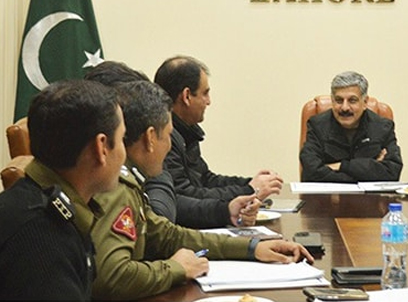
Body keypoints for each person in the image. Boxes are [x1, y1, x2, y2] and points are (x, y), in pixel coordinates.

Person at [91, 80, 313, 300]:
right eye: (168, 136)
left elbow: (168, 235)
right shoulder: (116, 188)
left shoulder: (130, 181)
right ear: (150, 138)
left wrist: (252, 248)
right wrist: (175, 269)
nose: (169, 146)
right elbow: (113, 277)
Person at [86, 60, 261, 229]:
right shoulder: (108, 183)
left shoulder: (176, 138)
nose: (209, 101)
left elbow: (163, 228)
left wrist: (227, 209)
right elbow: (161, 220)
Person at [0, 80, 126, 300]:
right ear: (101, 147)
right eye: (122, 139)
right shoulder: (43, 239)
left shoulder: (44, 204)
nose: (124, 154)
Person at [154, 55, 283, 200]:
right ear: (187, 96)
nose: (209, 101)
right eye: (205, 93)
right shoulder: (164, 137)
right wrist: (249, 190)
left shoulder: (186, 131)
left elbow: (205, 180)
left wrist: (251, 184)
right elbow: (185, 196)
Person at [300, 71, 403, 182]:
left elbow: (392, 173)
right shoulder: (317, 125)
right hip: (328, 197)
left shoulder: (383, 127)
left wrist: (341, 166)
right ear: (332, 100)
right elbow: (310, 173)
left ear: (365, 102)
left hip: (370, 199)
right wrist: (369, 170)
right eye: (339, 100)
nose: (345, 108)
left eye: (352, 100)